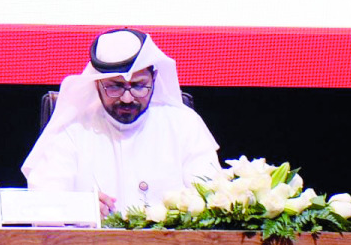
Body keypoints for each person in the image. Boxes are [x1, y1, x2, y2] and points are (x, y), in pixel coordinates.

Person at [21, 28, 219, 217]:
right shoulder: (72, 130)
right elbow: (41, 205)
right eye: (115, 87)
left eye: (138, 86)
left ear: (154, 78)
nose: (126, 98)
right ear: (97, 83)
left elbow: (212, 199)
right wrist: (78, 208)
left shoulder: (184, 125)